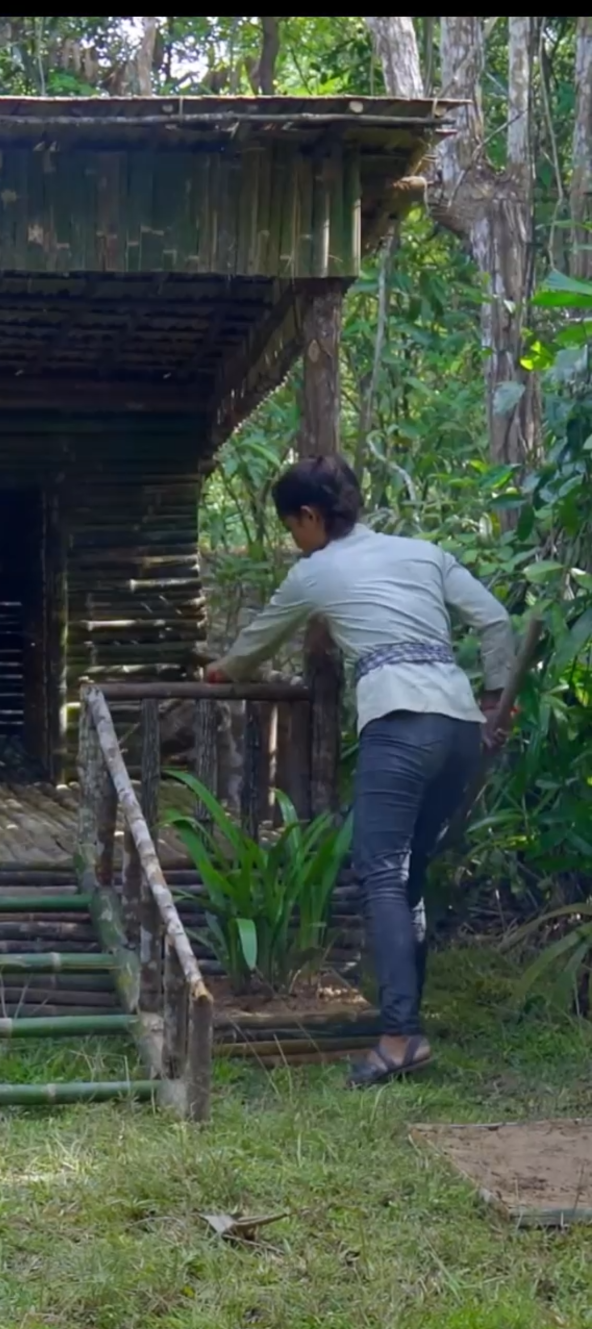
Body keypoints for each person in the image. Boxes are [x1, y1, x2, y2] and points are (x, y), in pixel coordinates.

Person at [204, 455, 515, 1088]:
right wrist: (493, 698)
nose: (295, 538)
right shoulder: (424, 553)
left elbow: (254, 646)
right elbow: (496, 621)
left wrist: (218, 672)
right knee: (411, 868)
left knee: (381, 869)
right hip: (458, 725)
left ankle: (400, 1036)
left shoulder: (315, 572)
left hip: (399, 723)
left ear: (311, 517)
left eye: (293, 525)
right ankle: (406, 1017)